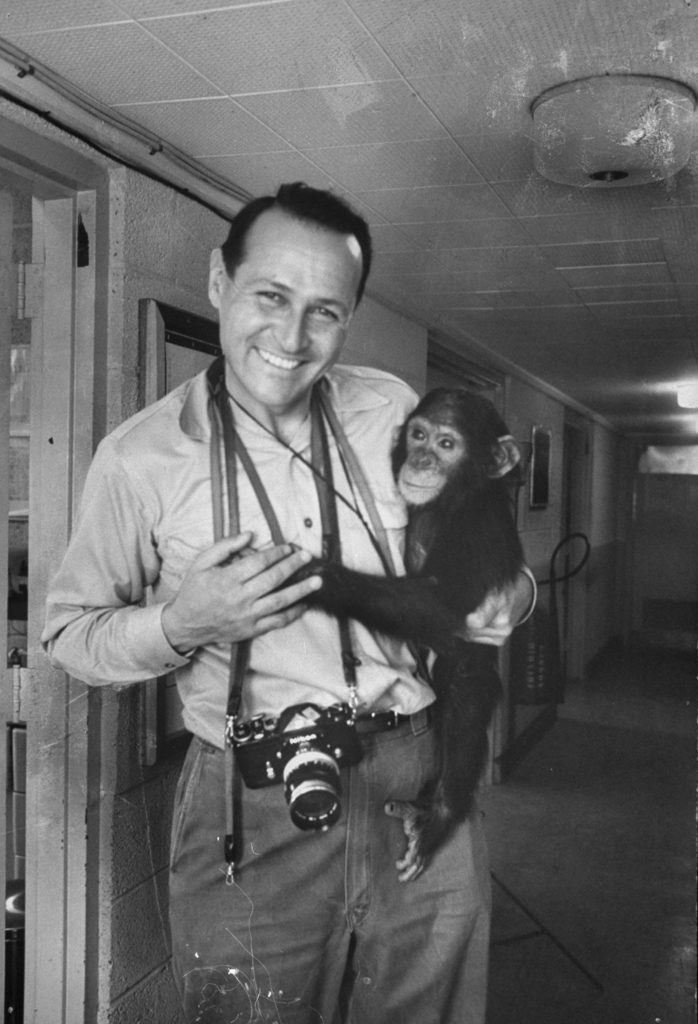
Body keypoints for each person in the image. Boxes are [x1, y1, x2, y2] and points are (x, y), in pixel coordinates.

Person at [43, 182, 534, 1024]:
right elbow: (68, 635)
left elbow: (480, 546)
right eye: (270, 296)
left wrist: (511, 596)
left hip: (412, 769)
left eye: (325, 312)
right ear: (217, 282)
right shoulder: (141, 460)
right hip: (251, 793)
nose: (293, 336)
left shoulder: (388, 408)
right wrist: (180, 624)